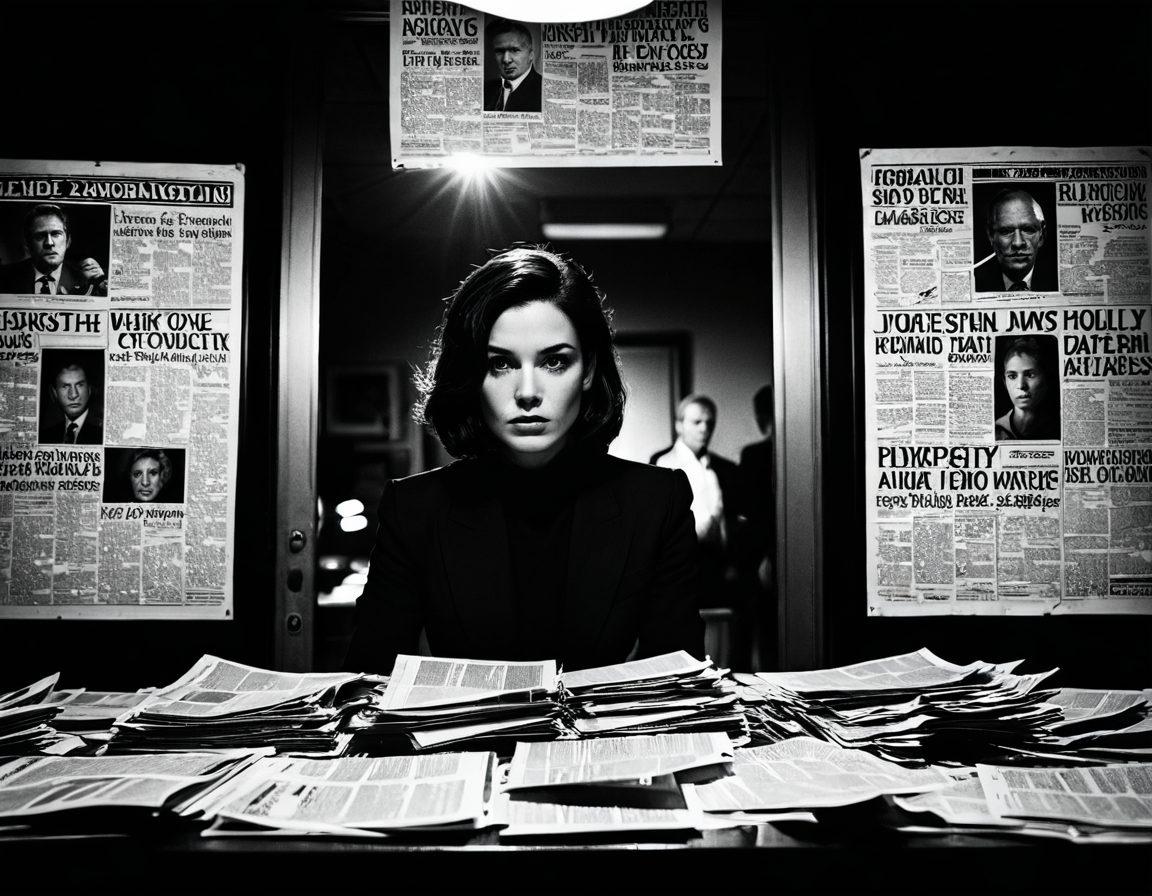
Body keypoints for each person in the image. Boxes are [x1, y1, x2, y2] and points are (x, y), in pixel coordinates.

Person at [344, 246, 704, 674]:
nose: (528, 392)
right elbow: (368, 679)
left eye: (555, 361)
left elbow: (678, 686)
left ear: (588, 369)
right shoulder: (414, 509)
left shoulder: (657, 502)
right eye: (500, 364)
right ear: (471, 376)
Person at [651, 395, 741, 607]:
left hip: (718, 565)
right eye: (697, 422)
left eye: (709, 423)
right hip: (679, 567)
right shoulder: (661, 462)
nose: (704, 429)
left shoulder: (725, 468)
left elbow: (732, 519)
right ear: (679, 425)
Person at [0, 204, 107, 296]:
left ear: (68, 241)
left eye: (56, 234)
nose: (49, 243)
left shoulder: (85, 280)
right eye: (40, 236)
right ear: (28, 245)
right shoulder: (5, 278)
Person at [974, 189, 1054, 293]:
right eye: (1006, 231)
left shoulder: (1055, 279)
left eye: (1028, 230)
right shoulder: (975, 282)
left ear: (1042, 235)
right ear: (991, 236)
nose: (1018, 243)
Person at [995, 336, 1060, 440]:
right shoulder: (996, 432)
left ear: (1046, 378)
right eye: (1012, 376)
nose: (1021, 385)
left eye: (1030, 375)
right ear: (1004, 382)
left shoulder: (1058, 430)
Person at [39, 356, 103, 445]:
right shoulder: (45, 436)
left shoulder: (102, 433)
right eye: (65, 386)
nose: (73, 395)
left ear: (89, 389)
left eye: (80, 385)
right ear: (54, 393)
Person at [483, 19, 542, 112]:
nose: (506, 59)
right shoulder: (485, 89)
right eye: (500, 51)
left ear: (531, 55)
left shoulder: (543, 90)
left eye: (515, 50)